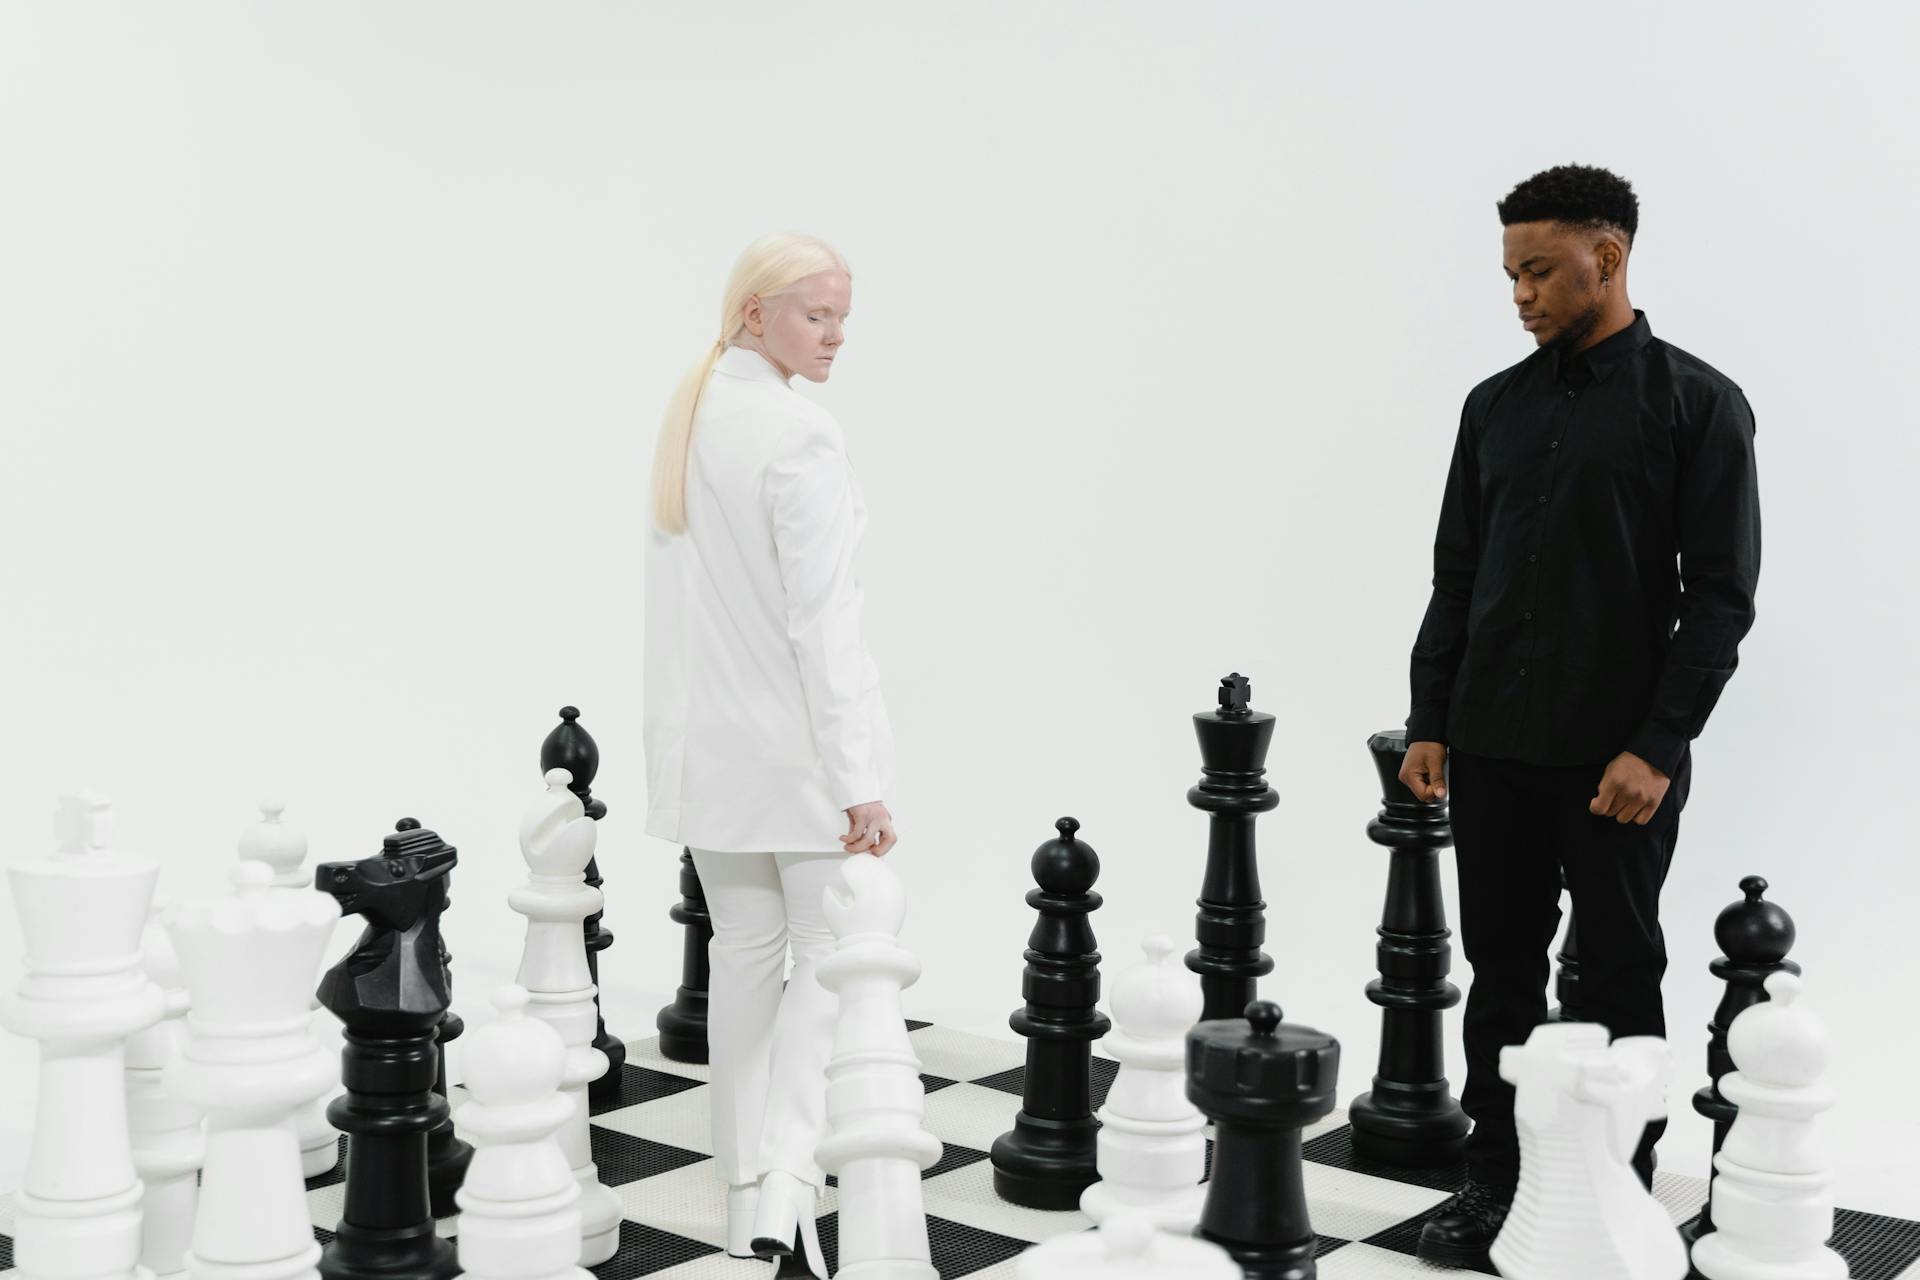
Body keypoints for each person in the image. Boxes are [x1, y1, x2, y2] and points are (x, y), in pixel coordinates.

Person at [1398, 165, 1761, 1270]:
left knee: (1612, 972)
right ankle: (1495, 1181)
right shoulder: (1493, 406)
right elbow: (1457, 574)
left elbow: (1722, 597)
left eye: (1540, 271)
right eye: (1511, 274)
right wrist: (1429, 718)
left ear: (1608, 259)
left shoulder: (1699, 404)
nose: (1521, 294)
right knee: (1501, 971)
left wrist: (1659, 742)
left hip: (1618, 760)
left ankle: (1616, 1187)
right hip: (1495, 746)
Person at [643, 231, 896, 1277]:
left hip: (706, 752)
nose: (836, 334)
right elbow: (821, 625)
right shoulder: (799, 434)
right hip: (793, 754)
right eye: (815, 313)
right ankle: (789, 1176)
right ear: (755, 314)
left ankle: (742, 1168)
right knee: (836, 958)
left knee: (746, 955)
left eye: (843, 314)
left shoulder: (693, 414)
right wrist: (861, 778)